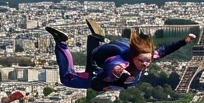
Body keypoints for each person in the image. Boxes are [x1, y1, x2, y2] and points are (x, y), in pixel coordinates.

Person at [47, 18, 195, 92]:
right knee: (68, 79)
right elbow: (114, 65)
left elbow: (164, 50)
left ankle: (96, 38)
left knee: (92, 66)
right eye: (142, 61)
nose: (145, 64)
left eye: (147, 61)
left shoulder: (149, 55)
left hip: (111, 55)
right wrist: (117, 71)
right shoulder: (122, 62)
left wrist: (183, 41)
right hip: (104, 73)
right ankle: (62, 43)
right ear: (133, 57)